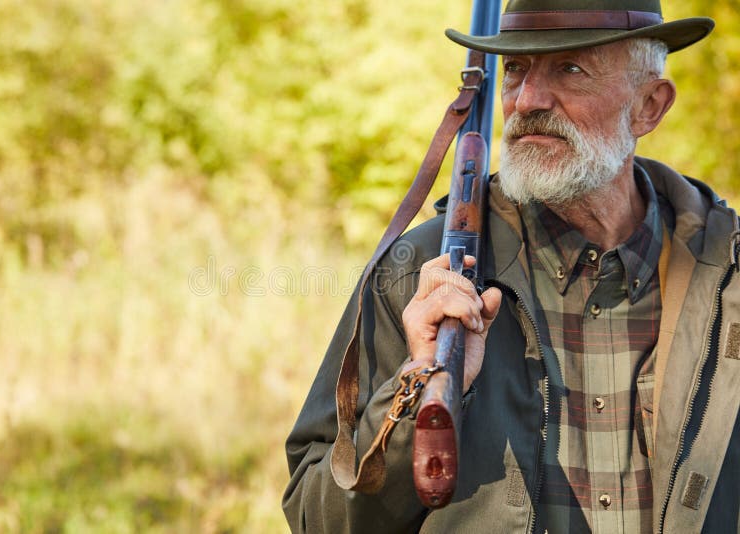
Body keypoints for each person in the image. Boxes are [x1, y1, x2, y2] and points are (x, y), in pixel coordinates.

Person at [284, 1, 740, 532]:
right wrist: (414, 393)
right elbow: (318, 519)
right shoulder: (417, 277)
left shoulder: (726, 278)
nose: (526, 100)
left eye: (570, 69)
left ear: (649, 106)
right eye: (516, 69)